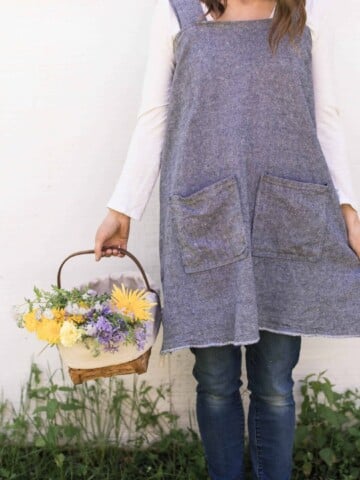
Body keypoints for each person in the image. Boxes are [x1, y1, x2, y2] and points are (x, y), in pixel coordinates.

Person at [94, 1, 360, 478]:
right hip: (203, 215)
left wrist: (348, 207)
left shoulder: (302, 12)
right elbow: (154, 116)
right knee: (215, 380)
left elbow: (327, 115)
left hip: (285, 215)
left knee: (275, 382)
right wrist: (122, 207)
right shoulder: (179, 12)